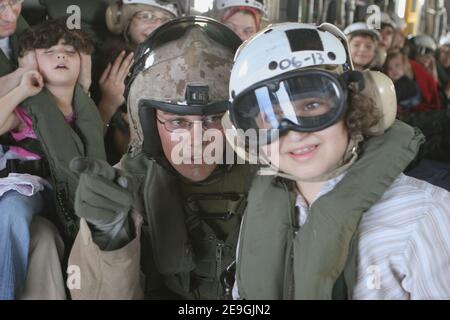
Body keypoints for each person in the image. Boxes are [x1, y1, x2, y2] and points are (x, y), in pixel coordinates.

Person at [224, 22, 450, 299]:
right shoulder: (260, 211)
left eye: (311, 105)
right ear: (244, 135)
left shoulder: (426, 216)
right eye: (269, 117)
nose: (294, 132)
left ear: (356, 104)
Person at [67, 16, 254, 300]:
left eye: (215, 118)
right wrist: (108, 235)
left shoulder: (271, 181)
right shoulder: (123, 189)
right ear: (148, 125)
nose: (197, 139)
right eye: (178, 123)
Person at [0, 19, 106, 299]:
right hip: (27, 184)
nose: (61, 55)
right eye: (49, 51)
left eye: (70, 52)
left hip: (67, 197)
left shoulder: (86, 111)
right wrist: (23, 88)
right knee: (12, 211)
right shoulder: (29, 109)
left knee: (48, 238)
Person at [98, 0, 178, 164]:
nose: (156, 24)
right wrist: (108, 103)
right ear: (125, 22)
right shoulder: (107, 63)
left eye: (164, 20)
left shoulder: (178, 64)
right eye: (146, 16)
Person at [384, 50, 421, 115]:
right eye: (390, 68)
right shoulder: (394, 83)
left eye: (397, 65)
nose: (394, 70)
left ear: (404, 66)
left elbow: (396, 94)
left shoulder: (408, 83)